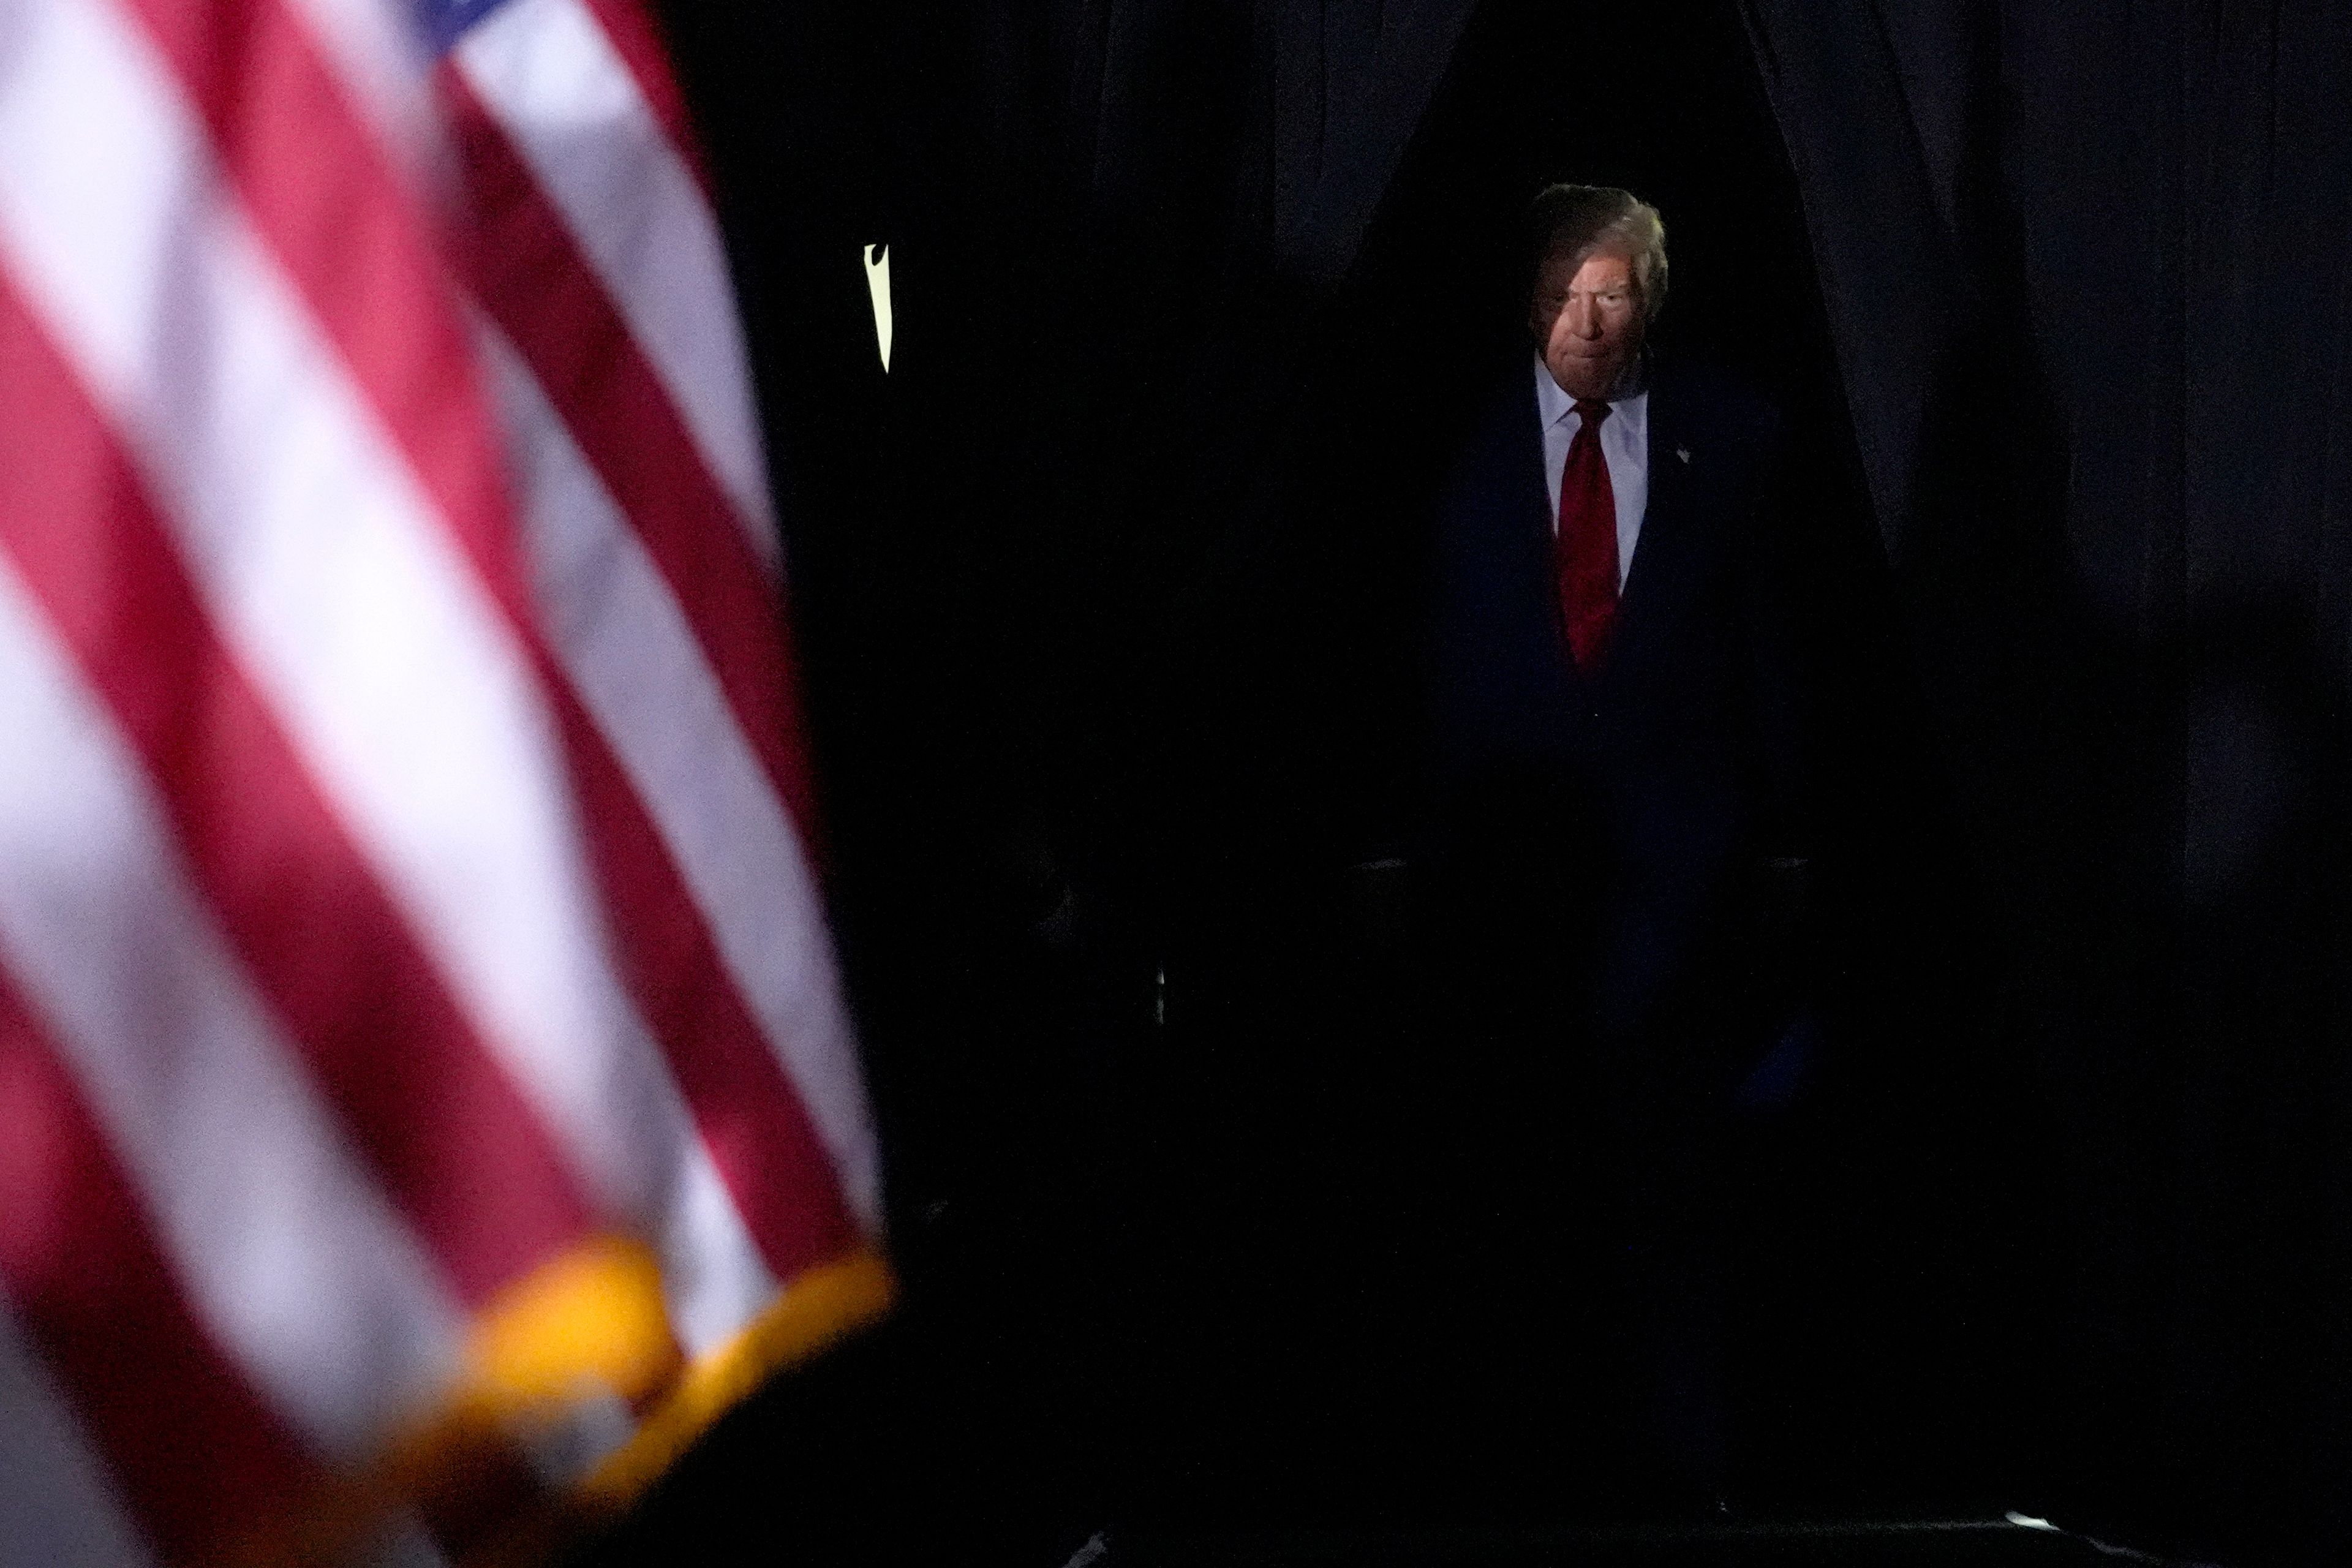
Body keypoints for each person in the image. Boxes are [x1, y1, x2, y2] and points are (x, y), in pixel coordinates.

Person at [1423, 183, 1809, 1508]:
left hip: (1677, 907)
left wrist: (1775, 863)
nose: (1586, 324)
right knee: (1515, 1208)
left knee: (1675, 1208)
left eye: (1613, 295)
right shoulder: (1453, 453)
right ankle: (1512, 1465)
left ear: (1653, 298)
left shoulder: (1738, 445)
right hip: (1508, 903)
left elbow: (1774, 675)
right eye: (1563, 294)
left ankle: (1686, 1474)